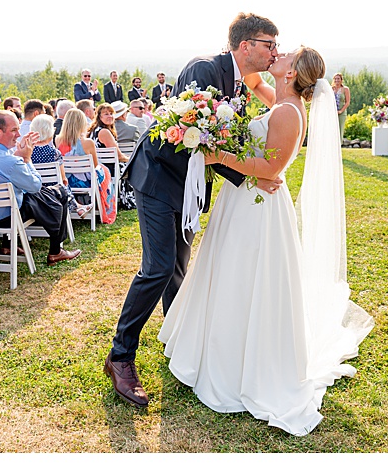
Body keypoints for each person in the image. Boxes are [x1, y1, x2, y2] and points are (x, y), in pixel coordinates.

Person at [157, 45, 373, 436]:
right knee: (226, 273)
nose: (280, 52)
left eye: (286, 54)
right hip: (243, 200)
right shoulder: (279, 99)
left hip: (258, 207)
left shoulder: (289, 112)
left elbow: (271, 168)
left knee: (244, 278)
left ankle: (240, 365)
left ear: (292, 73)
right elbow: (251, 77)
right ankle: (214, 350)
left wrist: (213, 153)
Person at [107, 12, 287, 411]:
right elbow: (194, 137)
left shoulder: (241, 83)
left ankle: (180, 346)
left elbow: (219, 141)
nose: (275, 51)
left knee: (178, 268)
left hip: (188, 185)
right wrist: (250, 177)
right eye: (269, 44)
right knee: (158, 267)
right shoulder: (204, 69)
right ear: (245, 46)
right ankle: (120, 357)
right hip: (157, 177)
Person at [0, 110, 80, 263]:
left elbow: (0, 167)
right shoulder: (12, 162)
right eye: (14, 130)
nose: (19, 134)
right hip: (7, 217)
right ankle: (56, 250)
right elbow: (35, 186)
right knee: (59, 192)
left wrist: (18, 154)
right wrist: (26, 158)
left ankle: (8, 245)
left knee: (43, 195)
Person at [56, 108, 115, 224]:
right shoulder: (88, 143)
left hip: (67, 181)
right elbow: (95, 165)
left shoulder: (58, 140)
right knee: (105, 170)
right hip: (86, 182)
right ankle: (104, 206)